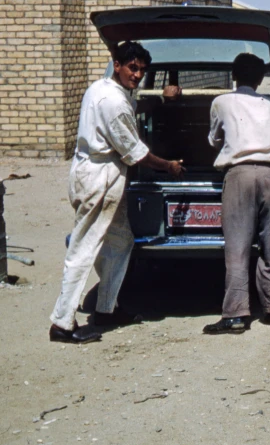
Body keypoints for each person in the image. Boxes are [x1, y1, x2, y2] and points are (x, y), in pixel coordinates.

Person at [49, 41, 185, 344]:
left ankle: (107, 308)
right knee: (84, 249)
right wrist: (169, 166)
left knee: (121, 241)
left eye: (141, 70)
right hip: (100, 176)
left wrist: (161, 99)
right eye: (132, 68)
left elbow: (133, 109)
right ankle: (61, 322)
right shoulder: (114, 103)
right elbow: (137, 155)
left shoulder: (100, 88)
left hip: (96, 171)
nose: (136, 75)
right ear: (117, 64)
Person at [202, 53, 270, 334]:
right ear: (261, 79)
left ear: (233, 76)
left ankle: (236, 315)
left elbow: (214, 138)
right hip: (269, 175)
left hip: (239, 175)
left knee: (238, 248)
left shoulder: (221, 102)